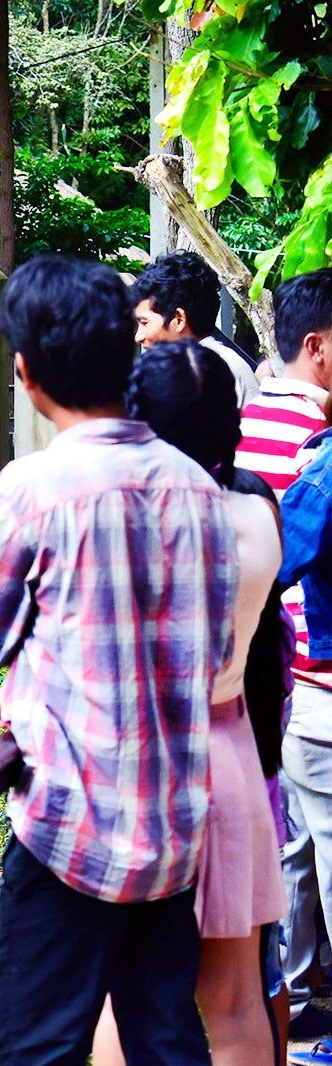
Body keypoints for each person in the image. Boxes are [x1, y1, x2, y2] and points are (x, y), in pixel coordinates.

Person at [0, 255, 238, 1065]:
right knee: (169, 1044)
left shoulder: (35, 490)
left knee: (40, 1050)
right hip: (175, 835)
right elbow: (210, 656)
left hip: (67, 836)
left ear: (26, 370)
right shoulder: (198, 487)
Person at [91, 340, 289, 1066]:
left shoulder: (126, 524)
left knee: (124, 993)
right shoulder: (257, 513)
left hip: (140, 767)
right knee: (236, 1001)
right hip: (231, 758)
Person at [233, 268, 332, 1046]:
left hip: (275, 666)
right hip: (309, 660)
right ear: (318, 346)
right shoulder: (318, 439)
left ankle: (297, 997)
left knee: (293, 848)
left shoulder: (248, 413)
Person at [132, 250, 260, 407]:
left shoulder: (211, 371)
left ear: (179, 319)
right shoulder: (223, 364)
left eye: (145, 323)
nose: (138, 337)